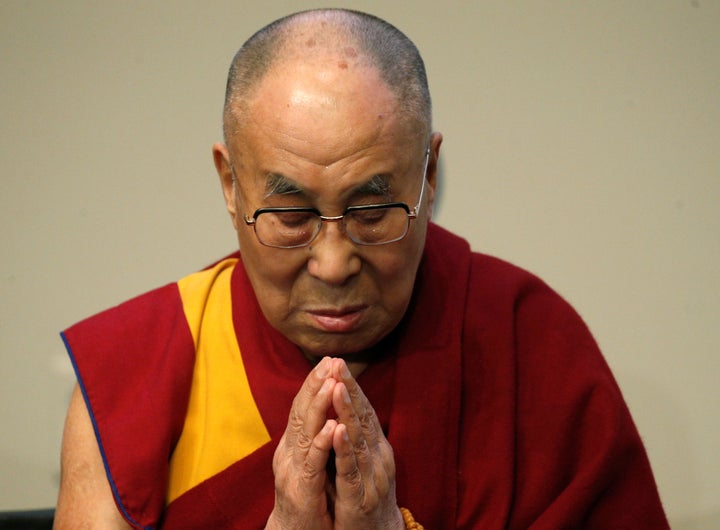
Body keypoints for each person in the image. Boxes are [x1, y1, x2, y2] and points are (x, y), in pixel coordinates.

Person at [54, 8, 669, 529]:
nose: (333, 263)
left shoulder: (530, 344)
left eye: (372, 211)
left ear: (427, 174)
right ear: (230, 183)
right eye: (290, 215)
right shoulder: (135, 373)